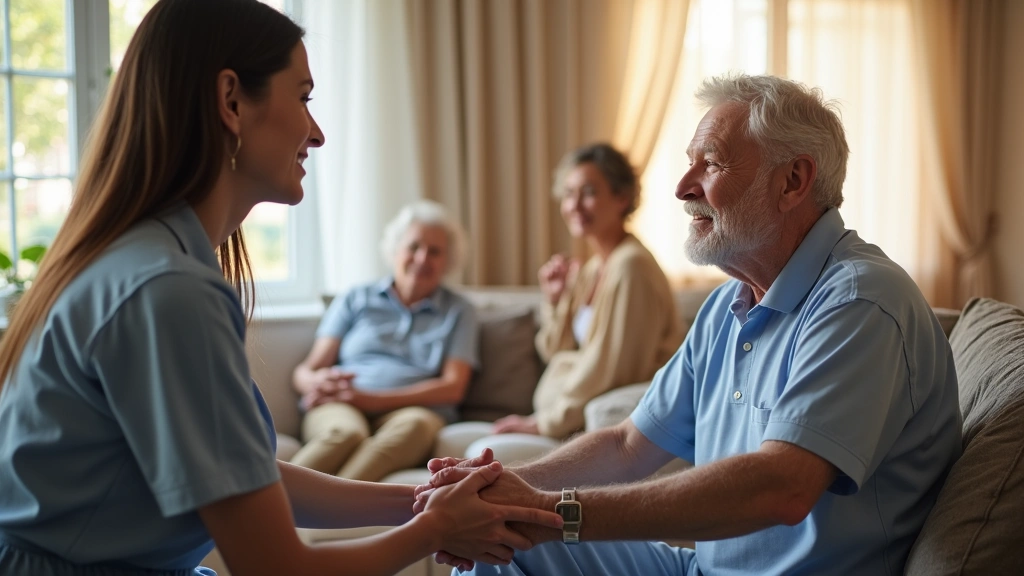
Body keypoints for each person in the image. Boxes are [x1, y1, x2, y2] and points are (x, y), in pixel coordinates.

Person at [0, 1, 561, 575]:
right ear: (232, 101)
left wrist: (419, 503)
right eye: (304, 98)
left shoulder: (147, 262)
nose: (315, 134)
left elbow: (247, 477)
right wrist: (436, 529)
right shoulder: (170, 291)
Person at [416, 74, 962, 576]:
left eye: (712, 163)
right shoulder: (729, 305)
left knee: (525, 527)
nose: (682, 186)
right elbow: (630, 445)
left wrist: (554, 511)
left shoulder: (859, 301)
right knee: (501, 538)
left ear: (793, 180)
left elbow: (783, 488)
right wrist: (498, 487)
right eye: (689, 162)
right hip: (701, 570)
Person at [448, 143, 683, 462]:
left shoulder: (631, 268)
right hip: (562, 420)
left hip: (594, 427)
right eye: (568, 193)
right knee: (451, 441)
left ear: (622, 198)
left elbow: (611, 370)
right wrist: (555, 301)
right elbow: (554, 351)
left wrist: (542, 423)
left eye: (588, 192)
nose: (574, 205)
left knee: (477, 454)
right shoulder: (594, 267)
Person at [289, 200, 479, 482]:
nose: (422, 258)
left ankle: (334, 515)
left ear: (447, 261)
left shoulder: (459, 310)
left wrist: (373, 400)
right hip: (345, 402)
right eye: (414, 246)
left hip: (414, 411)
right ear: (395, 250)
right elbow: (306, 370)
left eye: (435, 251)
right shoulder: (356, 297)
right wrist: (316, 383)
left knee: (415, 427)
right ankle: (262, 508)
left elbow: (453, 387)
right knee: (345, 434)